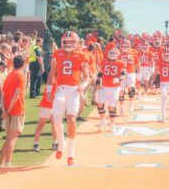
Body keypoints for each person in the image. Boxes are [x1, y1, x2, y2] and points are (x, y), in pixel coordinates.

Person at [46, 30, 90, 166]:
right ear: (63, 42)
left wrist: (83, 85)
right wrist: (48, 90)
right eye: (67, 41)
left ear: (76, 43)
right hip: (60, 90)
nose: (69, 44)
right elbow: (52, 73)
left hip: (74, 90)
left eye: (72, 41)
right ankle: (61, 143)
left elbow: (87, 76)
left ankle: (71, 153)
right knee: (56, 120)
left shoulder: (82, 55)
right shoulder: (57, 54)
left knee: (71, 119)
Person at [0, 55, 25, 167]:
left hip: (7, 111)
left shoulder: (9, 76)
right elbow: (16, 95)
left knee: (9, 138)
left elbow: (2, 96)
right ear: (23, 64)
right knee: (12, 139)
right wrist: (8, 110)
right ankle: (8, 163)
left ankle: (1, 163)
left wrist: (4, 110)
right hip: (16, 110)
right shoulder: (20, 76)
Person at [96, 47, 126, 132]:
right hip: (104, 87)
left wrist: (119, 79)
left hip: (115, 88)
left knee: (111, 106)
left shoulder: (121, 63)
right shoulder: (104, 62)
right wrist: (97, 82)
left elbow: (124, 74)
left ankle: (112, 124)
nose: (112, 55)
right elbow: (100, 73)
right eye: (111, 53)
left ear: (117, 55)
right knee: (99, 104)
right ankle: (103, 121)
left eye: (114, 53)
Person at [151, 48, 169, 122]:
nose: (167, 56)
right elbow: (155, 73)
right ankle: (163, 117)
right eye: (165, 55)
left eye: (168, 55)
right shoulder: (159, 62)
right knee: (163, 98)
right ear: (162, 55)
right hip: (163, 83)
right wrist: (152, 81)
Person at [33, 80, 58, 152]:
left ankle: (55, 143)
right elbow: (48, 97)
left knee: (55, 125)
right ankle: (35, 143)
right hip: (46, 106)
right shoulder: (52, 82)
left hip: (54, 107)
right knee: (41, 125)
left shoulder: (59, 82)